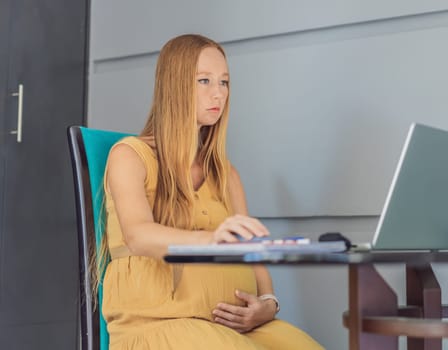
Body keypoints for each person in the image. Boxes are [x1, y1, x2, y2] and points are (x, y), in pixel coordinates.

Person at [99, 34, 324, 349]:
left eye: (224, 82)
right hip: (159, 325)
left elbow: (254, 257)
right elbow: (138, 234)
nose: (218, 93)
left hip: (235, 330)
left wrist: (268, 304)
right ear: (174, 85)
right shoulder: (131, 156)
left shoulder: (226, 174)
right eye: (204, 80)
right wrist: (212, 239)